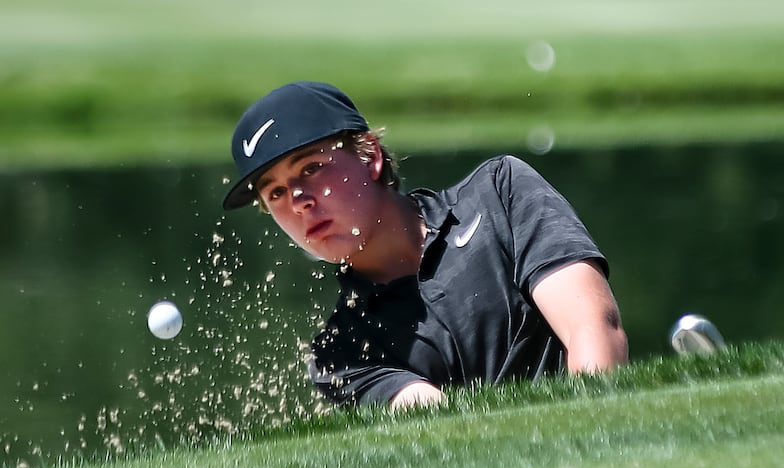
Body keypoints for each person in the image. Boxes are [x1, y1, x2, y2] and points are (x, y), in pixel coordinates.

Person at [222, 81, 628, 409]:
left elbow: (592, 329)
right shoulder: (341, 354)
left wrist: (586, 439)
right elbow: (446, 428)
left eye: (311, 168)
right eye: (274, 193)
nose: (298, 201)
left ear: (371, 157)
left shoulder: (500, 194)